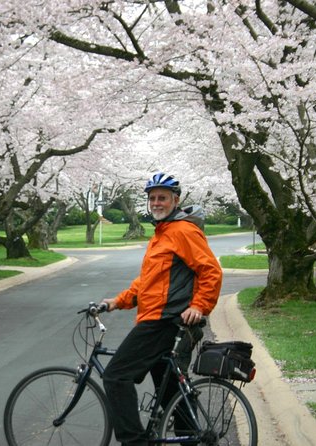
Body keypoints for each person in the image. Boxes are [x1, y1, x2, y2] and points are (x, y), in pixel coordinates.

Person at [101, 172, 223, 446]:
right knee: (171, 392)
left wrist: (199, 305)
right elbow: (148, 282)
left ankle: (133, 442)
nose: (157, 203)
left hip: (165, 322)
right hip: (159, 318)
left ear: (175, 200)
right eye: (153, 198)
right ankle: (192, 439)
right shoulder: (162, 233)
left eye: (163, 198)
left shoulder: (182, 231)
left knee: (116, 375)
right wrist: (117, 302)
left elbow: (210, 270)